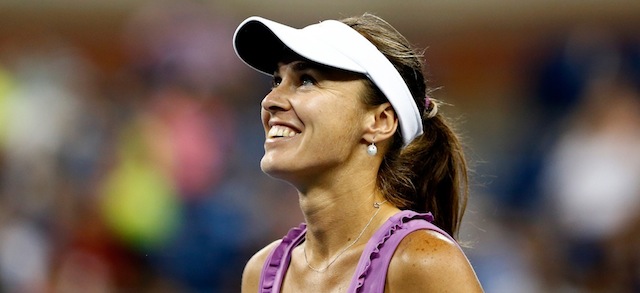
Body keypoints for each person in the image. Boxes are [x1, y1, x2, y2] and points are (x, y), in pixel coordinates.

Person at [233, 13, 483, 292]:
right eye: (276, 81)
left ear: (379, 121)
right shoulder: (260, 271)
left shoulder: (422, 261)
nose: (270, 101)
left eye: (306, 80)